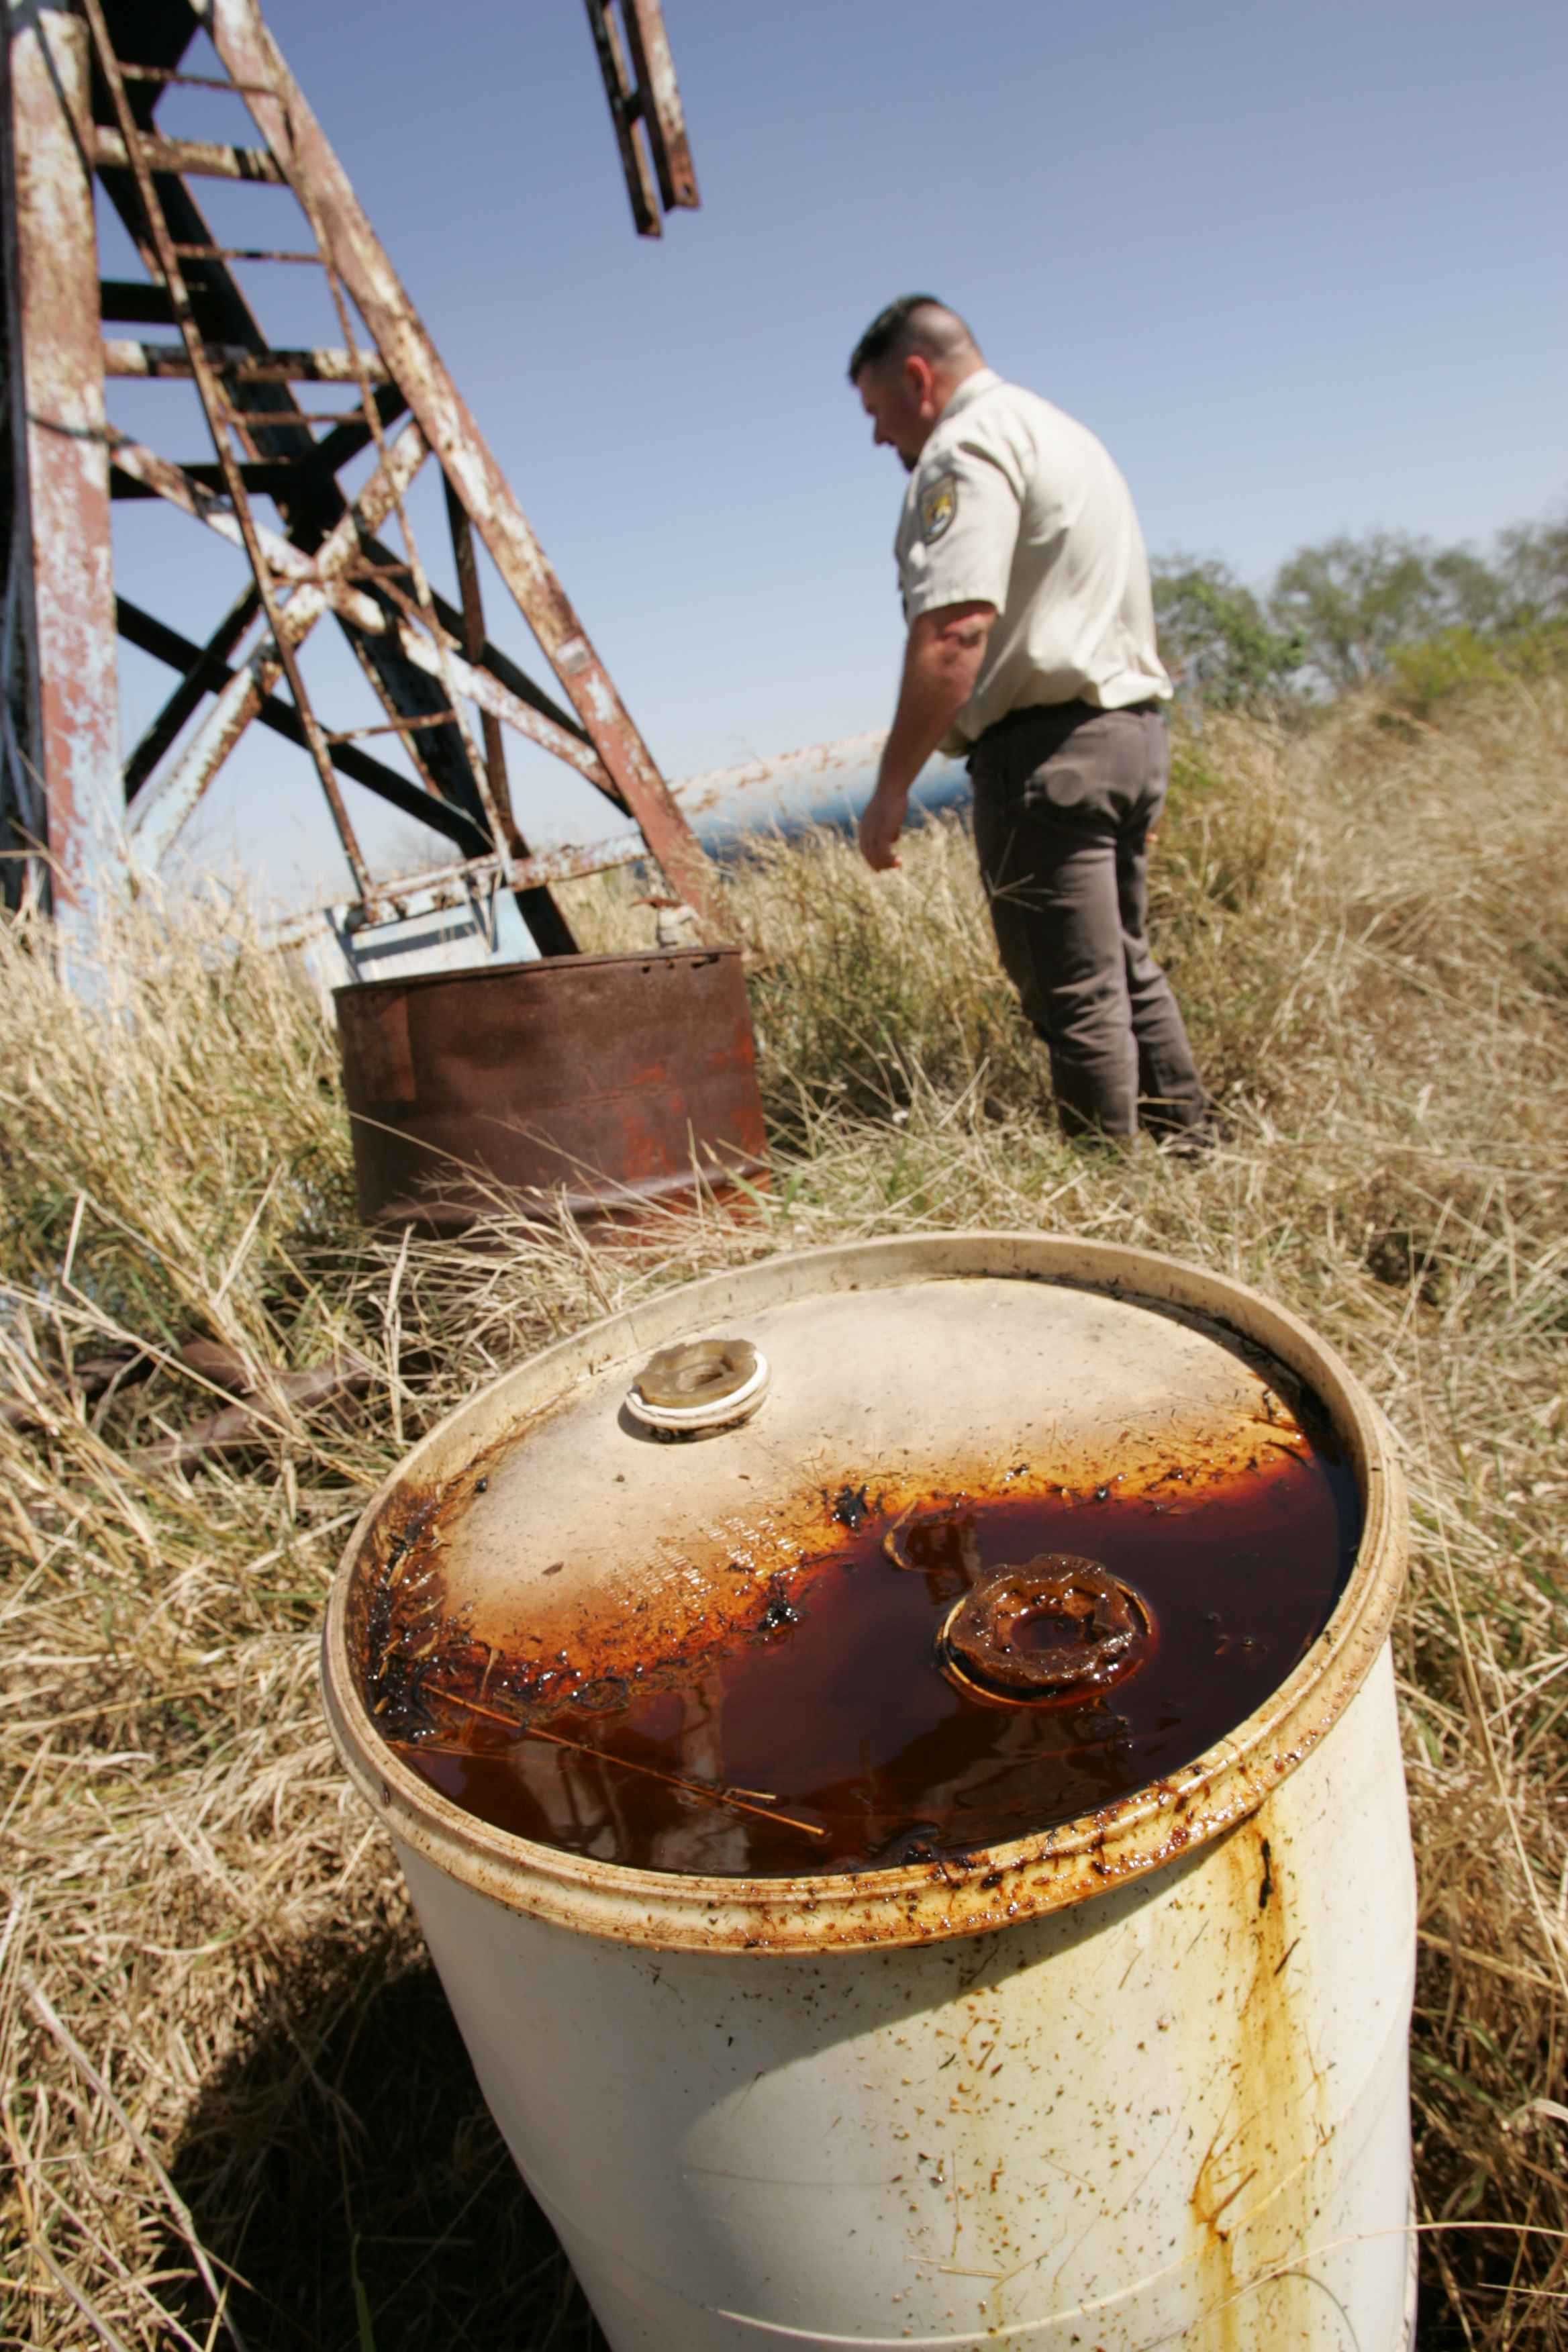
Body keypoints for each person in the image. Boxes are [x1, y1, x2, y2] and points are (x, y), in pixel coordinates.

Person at [849, 295, 1210, 1147]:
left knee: (1073, 1000)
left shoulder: (962, 449)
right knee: (1124, 972)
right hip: (1129, 737)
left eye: (876, 412)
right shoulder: (1058, 431)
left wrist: (891, 787)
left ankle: (1108, 1222)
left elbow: (955, 630)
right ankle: (1193, 1164)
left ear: (916, 377)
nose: (876, 439)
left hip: (1047, 756)